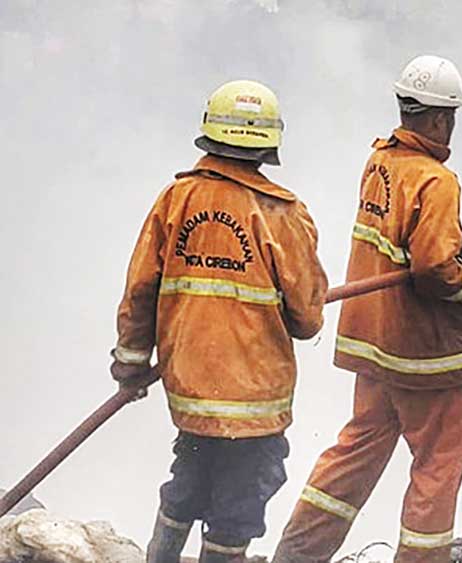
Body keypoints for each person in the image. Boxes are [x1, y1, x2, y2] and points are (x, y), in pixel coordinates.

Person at [272, 55, 462, 563]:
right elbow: (434, 270)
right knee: (436, 470)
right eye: (451, 116)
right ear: (439, 118)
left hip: (374, 345)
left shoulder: (380, 164)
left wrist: (455, 241)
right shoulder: (437, 180)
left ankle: (297, 555)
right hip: (428, 358)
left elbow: (403, 243)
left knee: (354, 453)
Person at [111, 80, 328, 563]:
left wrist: (130, 363)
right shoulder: (283, 215)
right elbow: (308, 318)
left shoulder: (175, 200)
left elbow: (141, 289)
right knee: (237, 506)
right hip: (255, 403)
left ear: (211, 132)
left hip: (190, 392)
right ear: (269, 144)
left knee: (188, 483)